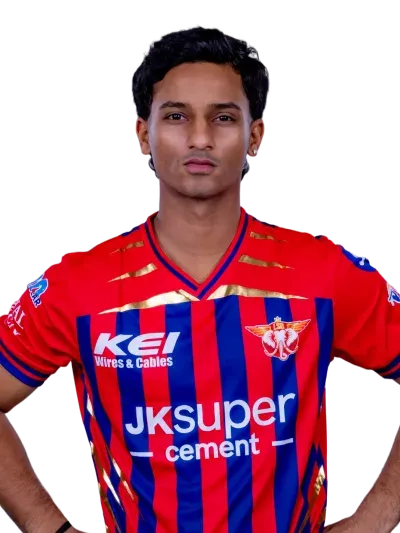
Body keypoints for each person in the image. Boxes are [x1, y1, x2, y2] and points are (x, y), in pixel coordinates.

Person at [0, 25, 399, 533]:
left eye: (223, 117)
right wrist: (45, 524)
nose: (200, 138)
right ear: (143, 133)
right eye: (176, 116)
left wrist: (374, 520)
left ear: (255, 137)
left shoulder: (322, 272)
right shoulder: (78, 285)